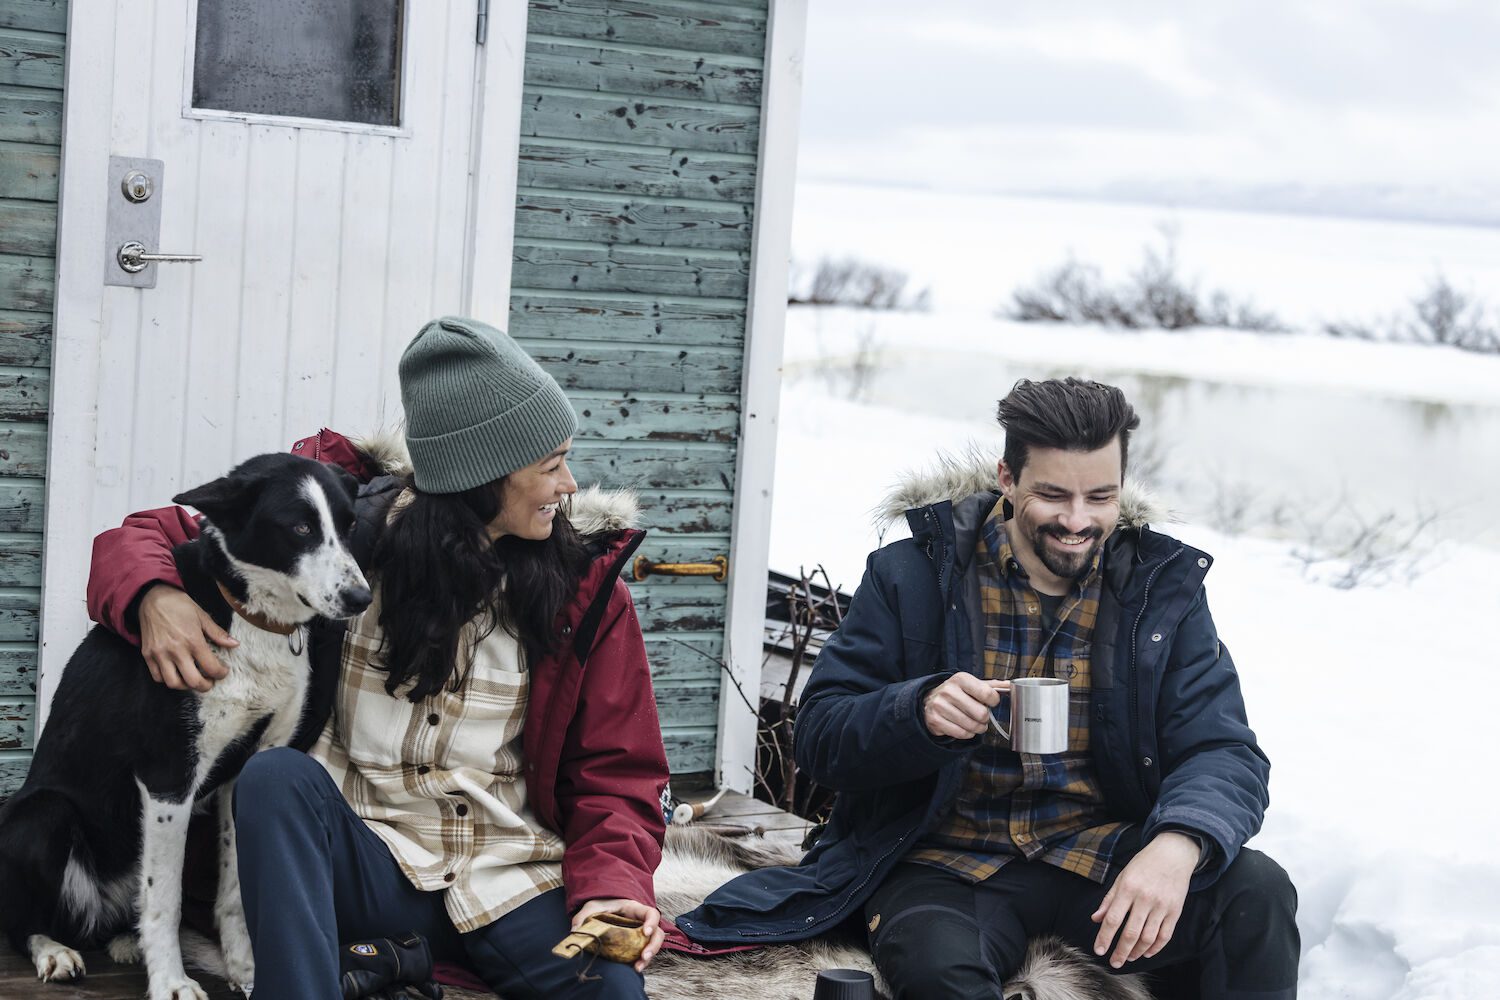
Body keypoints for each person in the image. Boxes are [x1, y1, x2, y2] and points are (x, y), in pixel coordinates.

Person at [85, 317, 670, 999]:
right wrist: (154, 595)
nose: (569, 484)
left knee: (613, 991)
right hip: (365, 861)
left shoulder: (585, 591)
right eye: (550, 465)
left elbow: (619, 774)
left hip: (507, 881)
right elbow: (151, 533)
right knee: (275, 779)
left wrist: (611, 890)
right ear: (483, 475)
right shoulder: (344, 530)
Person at [676, 378, 1298, 999]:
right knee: (937, 973)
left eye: (1100, 497)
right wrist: (916, 711)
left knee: (1256, 892)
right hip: (943, 865)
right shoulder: (912, 575)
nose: (1078, 521)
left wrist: (1177, 843)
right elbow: (820, 735)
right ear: (1007, 477)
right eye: (1052, 495)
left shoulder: (1160, 594)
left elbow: (1224, 751)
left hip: (1098, 857)